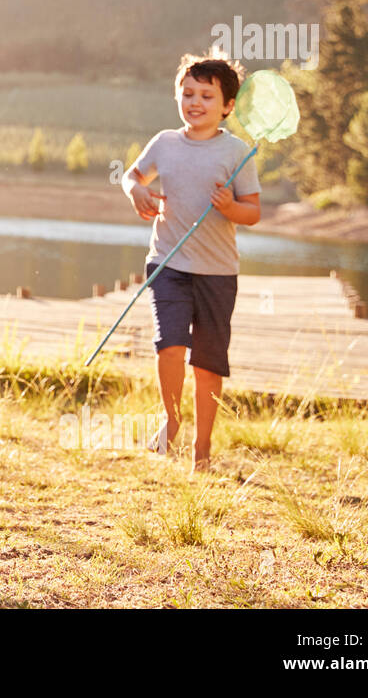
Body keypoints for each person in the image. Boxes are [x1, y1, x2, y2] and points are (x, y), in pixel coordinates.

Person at [121, 55, 261, 472]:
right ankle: (171, 418)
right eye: (187, 93)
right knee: (170, 345)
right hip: (168, 264)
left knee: (207, 363)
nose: (195, 102)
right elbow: (132, 176)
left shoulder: (237, 152)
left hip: (218, 273)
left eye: (206, 95)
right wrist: (137, 194)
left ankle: (202, 450)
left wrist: (229, 206)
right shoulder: (164, 143)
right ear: (177, 97)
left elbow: (252, 213)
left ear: (228, 106)